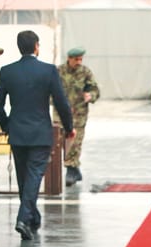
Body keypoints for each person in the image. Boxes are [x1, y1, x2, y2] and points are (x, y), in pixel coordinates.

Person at [0, 30, 74, 240]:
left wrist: (7, 125)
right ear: (37, 46)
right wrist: (69, 127)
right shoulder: (48, 71)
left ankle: (33, 218)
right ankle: (22, 218)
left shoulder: (7, 71)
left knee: (24, 178)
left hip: (17, 133)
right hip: (40, 134)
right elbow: (62, 103)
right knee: (34, 177)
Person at [58, 47, 99, 187]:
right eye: (76, 59)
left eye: (81, 59)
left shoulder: (85, 72)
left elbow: (95, 90)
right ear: (69, 58)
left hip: (79, 114)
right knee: (62, 141)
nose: (79, 62)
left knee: (75, 141)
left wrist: (90, 96)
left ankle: (70, 170)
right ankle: (74, 169)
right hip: (61, 114)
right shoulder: (59, 72)